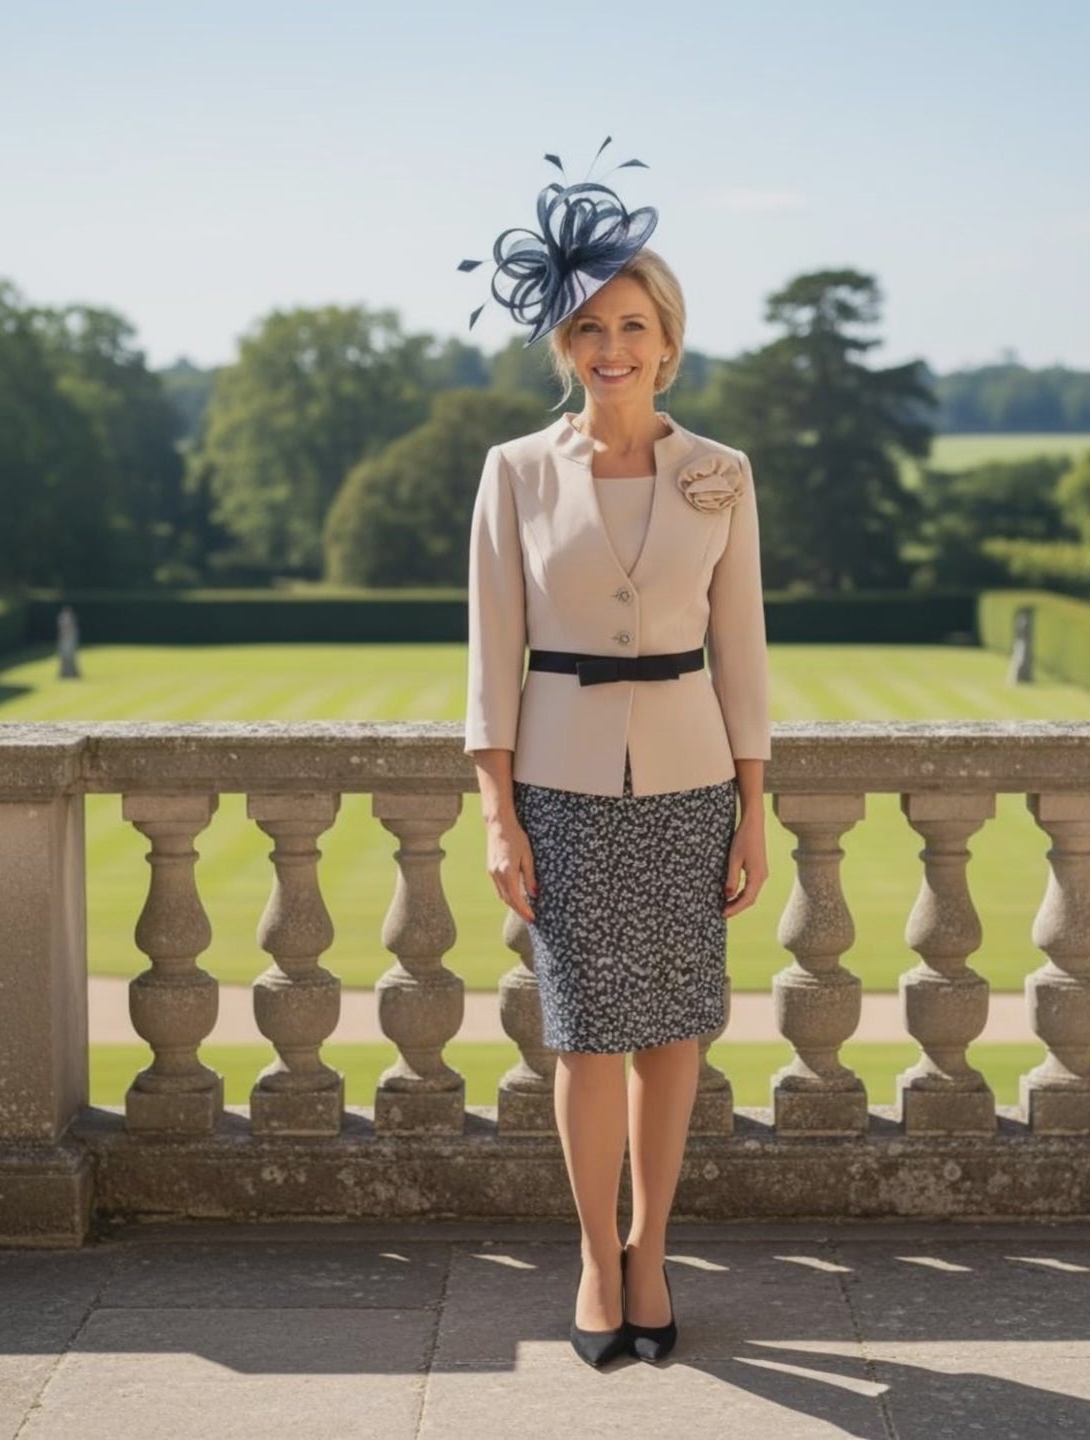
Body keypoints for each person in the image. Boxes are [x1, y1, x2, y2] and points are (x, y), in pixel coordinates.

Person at [460, 139, 772, 1368]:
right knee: (586, 1035)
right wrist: (498, 813)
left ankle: (654, 1252)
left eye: (632, 325)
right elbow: (491, 655)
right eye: (589, 329)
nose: (613, 349)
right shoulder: (517, 473)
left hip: (694, 787)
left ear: (669, 338)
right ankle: (597, 1260)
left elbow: (742, 655)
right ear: (564, 347)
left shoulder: (723, 476)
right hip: (564, 790)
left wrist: (754, 812)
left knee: (674, 1035)